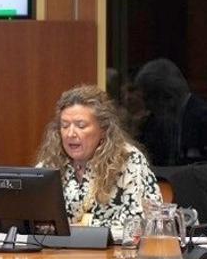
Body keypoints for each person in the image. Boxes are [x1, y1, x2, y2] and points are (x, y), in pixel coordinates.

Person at [36, 85, 162, 228]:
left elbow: (142, 223)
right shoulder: (53, 160)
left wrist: (85, 225)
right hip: (59, 250)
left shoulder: (127, 159)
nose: (70, 134)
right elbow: (34, 218)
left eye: (81, 126)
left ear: (103, 129)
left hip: (114, 250)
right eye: (64, 126)